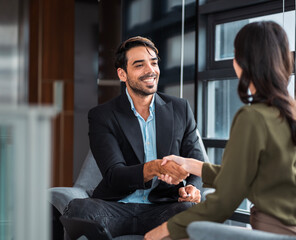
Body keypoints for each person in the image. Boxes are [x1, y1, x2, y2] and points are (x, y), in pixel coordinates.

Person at [145, 21, 296, 240]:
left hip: (269, 234)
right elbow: (250, 179)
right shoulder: (294, 113)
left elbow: (223, 204)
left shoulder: (252, 117)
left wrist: (165, 229)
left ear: (242, 62)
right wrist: (192, 165)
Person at [63, 36, 205, 237]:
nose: (150, 70)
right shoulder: (102, 115)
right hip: (115, 208)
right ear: (122, 74)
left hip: (163, 208)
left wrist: (191, 188)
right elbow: (114, 175)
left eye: (154, 63)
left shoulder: (180, 109)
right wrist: (154, 168)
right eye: (139, 65)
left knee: (189, 211)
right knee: (80, 209)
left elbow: (196, 162)